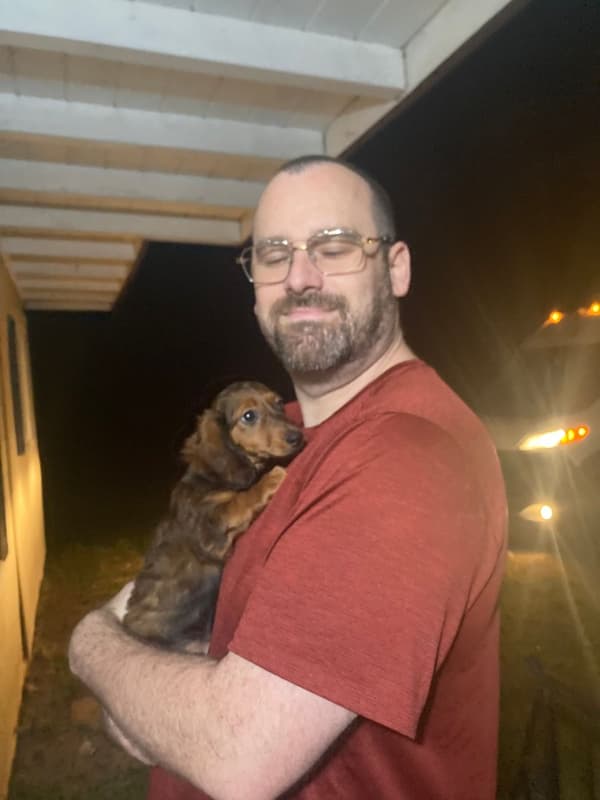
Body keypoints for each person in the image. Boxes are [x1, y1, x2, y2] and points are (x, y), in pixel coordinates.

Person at [69, 155, 507, 800]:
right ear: (254, 283)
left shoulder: (405, 459)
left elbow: (235, 751)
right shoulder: (292, 435)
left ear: (397, 267)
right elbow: (180, 563)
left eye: (333, 246)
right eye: (274, 254)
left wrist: (91, 645)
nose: (301, 276)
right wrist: (155, 692)